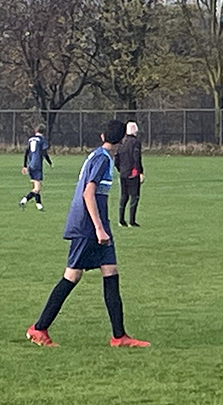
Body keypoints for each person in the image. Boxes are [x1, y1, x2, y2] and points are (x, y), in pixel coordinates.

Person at [26, 119, 149, 348]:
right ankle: (39, 328)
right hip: (88, 227)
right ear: (122, 139)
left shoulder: (99, 156)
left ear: (103, 136)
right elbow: (88, 194)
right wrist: (99, 228)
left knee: (111, 272)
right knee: (72, 276)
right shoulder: (102, 160)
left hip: (95, 225)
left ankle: (119, 336)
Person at [116, 121, 144, 227]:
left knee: (124, 196)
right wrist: (140, 171)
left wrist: (120, 169)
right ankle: (132, 221)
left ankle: (121, 220)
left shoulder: (122, 142)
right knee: (134, 197)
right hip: (132, 173)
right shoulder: (135, 142)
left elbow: (116, 159)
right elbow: (136, 157)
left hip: (123, 173)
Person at [20, 124, 52, 211]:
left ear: (35, 131)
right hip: (37, 165)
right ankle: (24, 200)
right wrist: (49, 161)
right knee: (37, 188)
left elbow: (26, 152)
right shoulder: (42, 140)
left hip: (30, 165)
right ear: (44, 132)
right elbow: (44, 152)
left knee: (36, 186)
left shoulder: (30, 139)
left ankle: (39, 205)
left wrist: (24, 166)